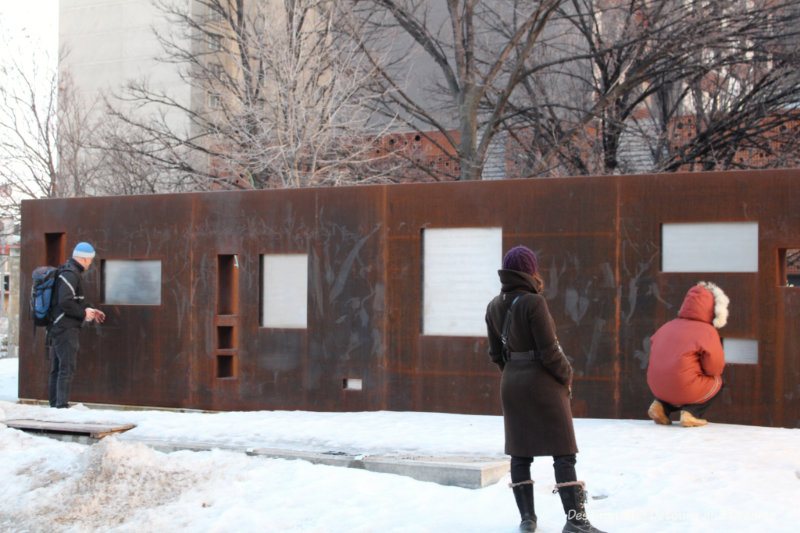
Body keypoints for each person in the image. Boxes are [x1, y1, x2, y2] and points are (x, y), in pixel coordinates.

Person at [485, 245, 605, 533]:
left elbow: (494, 354)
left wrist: (513, 372)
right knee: (563, 452)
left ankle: (528, 521)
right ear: (530, 271)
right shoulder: (533, 303)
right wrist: (567, 375)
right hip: (543, 383)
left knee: (520, 453)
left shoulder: (492, 305)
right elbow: (549, 350)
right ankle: (576, 521)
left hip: (511, 383)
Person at [647, 281, 728, 427]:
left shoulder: (668, 325)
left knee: (676, 383)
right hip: (683, 387)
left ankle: (660, 407)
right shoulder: (707, 331)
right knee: (717, 382)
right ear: (714, 310)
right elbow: (714, 369)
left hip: (656, 387)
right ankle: (691, 414)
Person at [48, 242, 106, 408]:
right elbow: (65, 301)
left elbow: (75, 299)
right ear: (85, 258)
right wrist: (83, 314)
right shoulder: (71, 274)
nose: (90, 264)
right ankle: (61, 406)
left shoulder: (67, 271)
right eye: (90, 260)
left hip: (58, 326)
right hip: (65, 327)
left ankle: (55, 405)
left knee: (58, 367)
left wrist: (90, 309)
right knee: (66, 368)